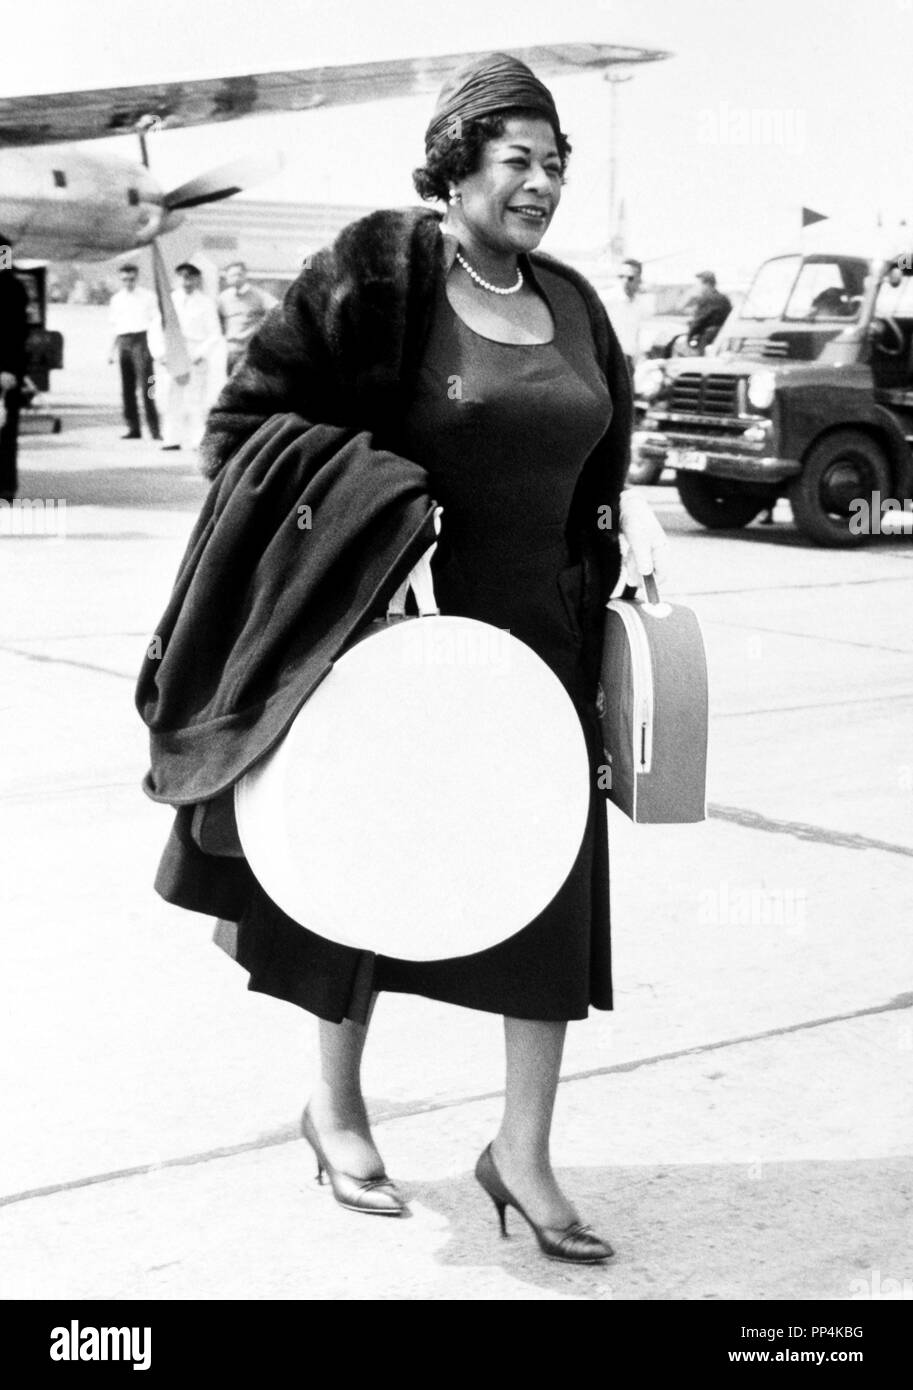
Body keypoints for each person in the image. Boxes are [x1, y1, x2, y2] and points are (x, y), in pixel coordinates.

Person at [138, 53, 668, 1264]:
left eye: (555, 164)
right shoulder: (381, 270)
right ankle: (335, 1107)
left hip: (543, 640)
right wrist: (384, 518)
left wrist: (619, 526)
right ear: (457, 160)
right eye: (516, 160)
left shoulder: (575, 302)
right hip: (393, 639)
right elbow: (245, 429)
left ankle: (519, 1152)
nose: (539, 183)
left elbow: (591, 463)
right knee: (359, 871)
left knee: (551, 887)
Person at [159, 263, 223, 451]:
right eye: (183, 277)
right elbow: (155, 330)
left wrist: (199, 353)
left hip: (196, 353)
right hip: (173, 352)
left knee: (196, 400)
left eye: (191, 277)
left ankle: (198, 439)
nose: (187, 282)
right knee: (171, 398)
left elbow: (215, 334)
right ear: (176, 279)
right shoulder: (168, 302)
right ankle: (171, 438)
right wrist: (161, 353)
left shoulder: (206, 303)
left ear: (197, 279)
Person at [107, 264, 161, 441]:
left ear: (136, 278)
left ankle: (154, 428)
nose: (128, 282)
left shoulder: (148, 297)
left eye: (131, 279)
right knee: (127, 388)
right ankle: (133, 428)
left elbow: (156, 323)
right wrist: (110, 351)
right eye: (124, 279)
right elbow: (114, 327)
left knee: (148, 386)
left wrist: (155, 347)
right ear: (120, 279)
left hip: (142, 341)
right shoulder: (116, 299)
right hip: (124, 342)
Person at [0, 238, 29, 501]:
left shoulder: (11, 289)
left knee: (6, 433)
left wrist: (9, 370)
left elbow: (16, 335)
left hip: (4, 374)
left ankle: (6, 487)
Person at [217, 261, 277, 374]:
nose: (236, 278)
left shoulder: (259, 295)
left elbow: (277, 310)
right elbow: (216, 322)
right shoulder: (223, 298)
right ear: (226, 278)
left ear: (245, 275)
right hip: (231, 351)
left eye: (239, 274)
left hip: (251, 351)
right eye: (232, 275)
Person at [604, 257, 644, 374]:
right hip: (609, 359)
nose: (625, 281)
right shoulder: (606, 299)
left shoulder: (638, 304)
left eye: (630, 278)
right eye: (621, 277)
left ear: (639, 279)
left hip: (628, 360)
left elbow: (635, 335)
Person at [686, 270, 732, 350]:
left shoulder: (707, 299)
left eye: (698, 284)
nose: (697, 287)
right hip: (723, 339)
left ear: (706, 284)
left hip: (708, 339)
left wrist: (689, 337)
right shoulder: (724, 298)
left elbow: (699, 321)